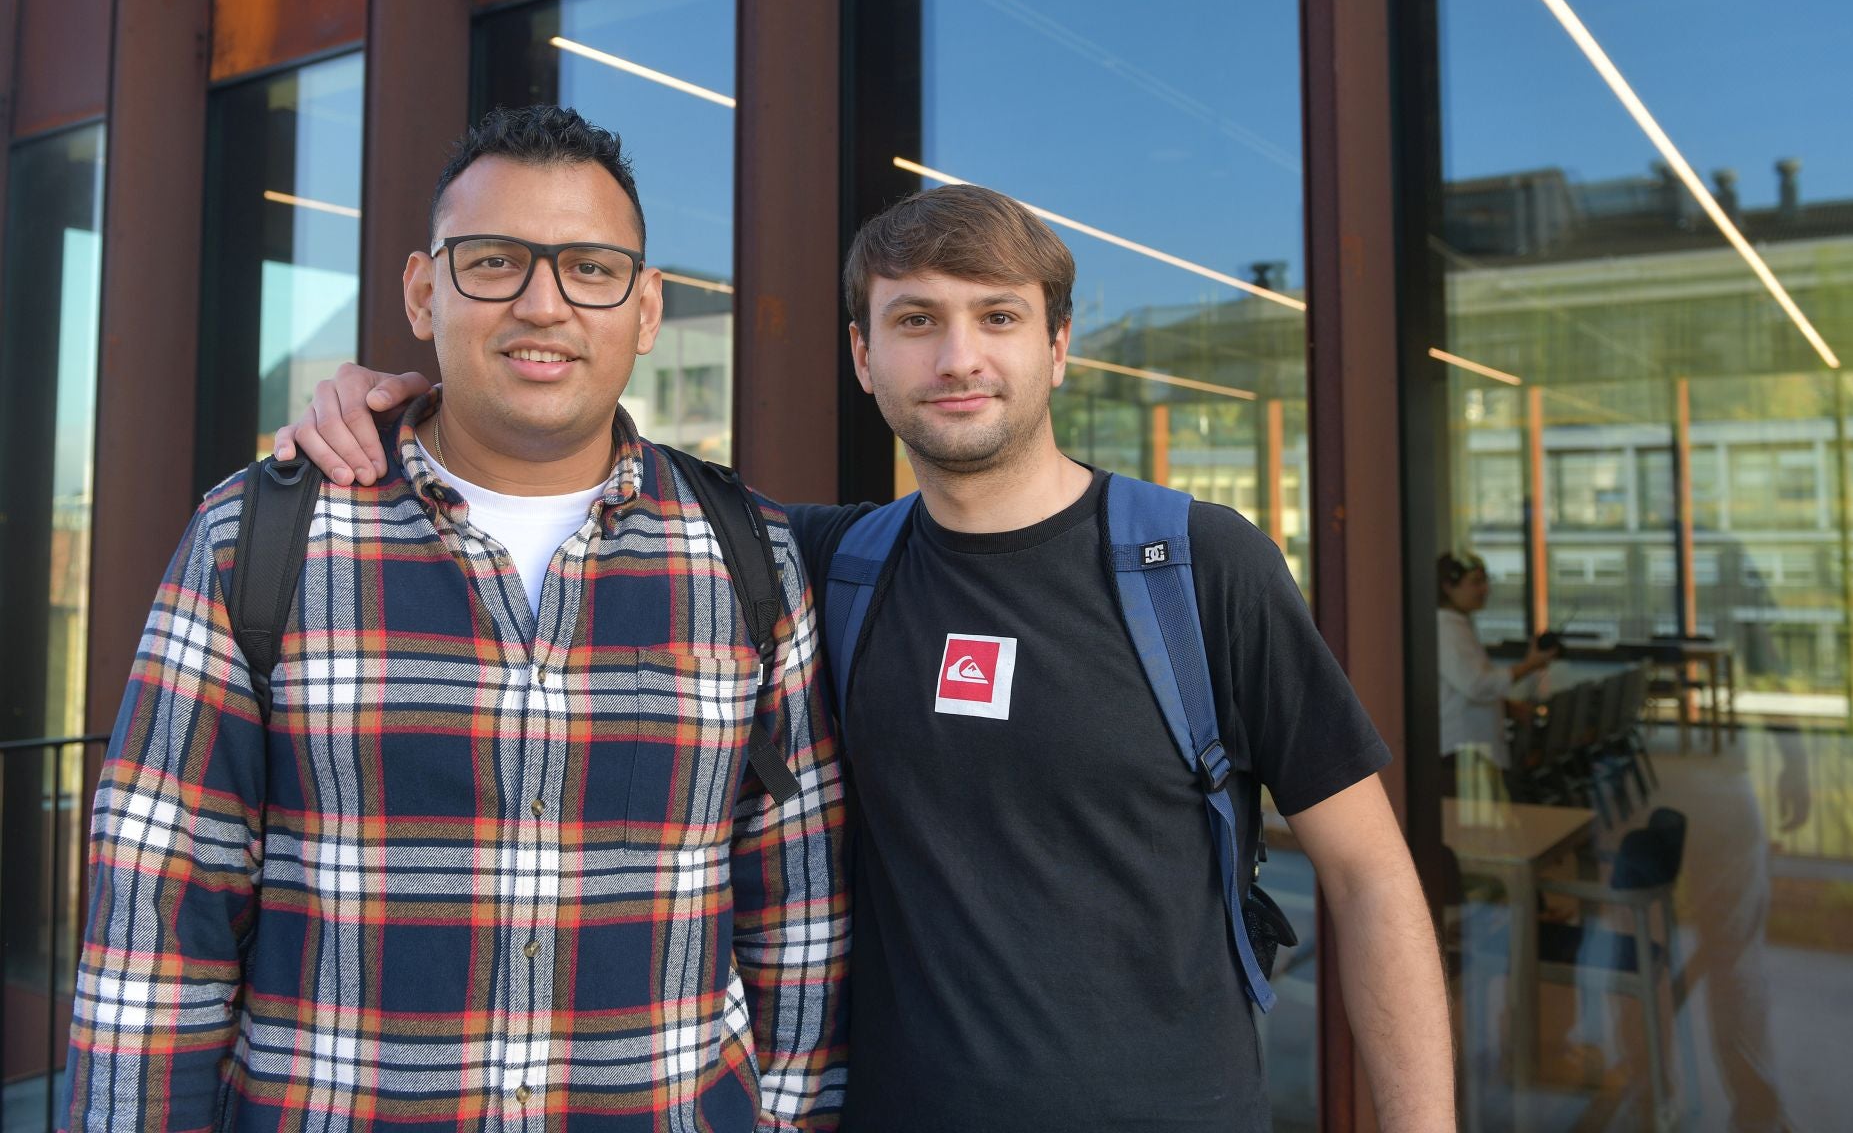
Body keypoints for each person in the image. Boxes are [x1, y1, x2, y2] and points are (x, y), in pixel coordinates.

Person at [281, 183, 1456, 1131]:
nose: (959, 355)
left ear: (1058, 345)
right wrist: (406, 400)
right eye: (915, 319)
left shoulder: (1196, 567)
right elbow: (583, 461)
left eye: (997, 317)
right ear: (862, 355)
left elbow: (1368, 878)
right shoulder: (812, 564)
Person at [63, 106, 847, 1132]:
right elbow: (157, 914)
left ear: (646, 309)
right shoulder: (257, 536)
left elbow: (799, 904)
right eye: (493, 261)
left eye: (591, 269)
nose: (542, 303)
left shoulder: (751, 556)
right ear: (424, 290)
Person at [1436, 550, 1554, 797]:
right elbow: (1477, 685)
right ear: (1448, 586)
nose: (1485, 589)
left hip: (1474, 746)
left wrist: (1507, 706)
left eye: (1485, 581)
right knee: (1473, 831)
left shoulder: (1457, 625)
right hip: (1464, 748)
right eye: (1476, 582)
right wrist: (1529, 665)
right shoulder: (1445, 628)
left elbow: (1466, 686)